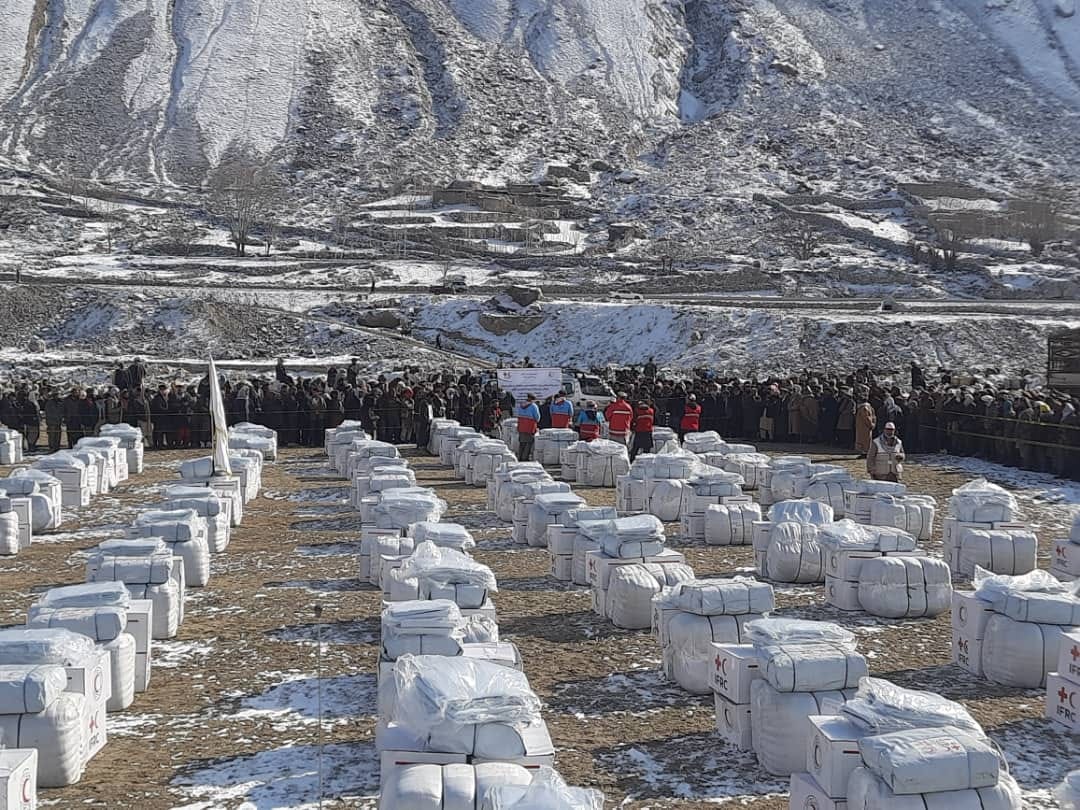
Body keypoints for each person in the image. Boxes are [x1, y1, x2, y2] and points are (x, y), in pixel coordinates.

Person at [514, 393, 540, 461]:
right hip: (529, 426)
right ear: (533, 399)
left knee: (522, 442)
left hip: (521, 426)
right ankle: (525, 458)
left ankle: (519, 457)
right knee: (528, 443)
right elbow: (537, 417)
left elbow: (518, 414)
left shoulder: (521, 405)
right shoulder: (534, 406)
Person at [854, 390, 876, 456]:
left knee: (864, 440)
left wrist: (870, 425)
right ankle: (864, 452)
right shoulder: (865, 407)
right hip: (862, 426)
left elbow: (867, 417)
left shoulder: (864, 408)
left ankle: (865, 452)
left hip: (864, 427)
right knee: (863, 439)